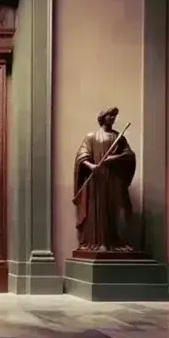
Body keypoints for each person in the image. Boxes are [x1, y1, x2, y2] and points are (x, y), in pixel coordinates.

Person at [73, 107, 135, 252]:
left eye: (114, 116)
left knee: (117, 211)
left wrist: (116, 158)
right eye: (110, 115)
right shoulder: (91, 137)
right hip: (97, 182)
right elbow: (81, 156)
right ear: (102, 118)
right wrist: (91, 166)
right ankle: (99, 242)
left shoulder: (119, 138)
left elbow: (129, 155)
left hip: (113, 181)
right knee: (98, 211)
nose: (112, 118)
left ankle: (115, 242)